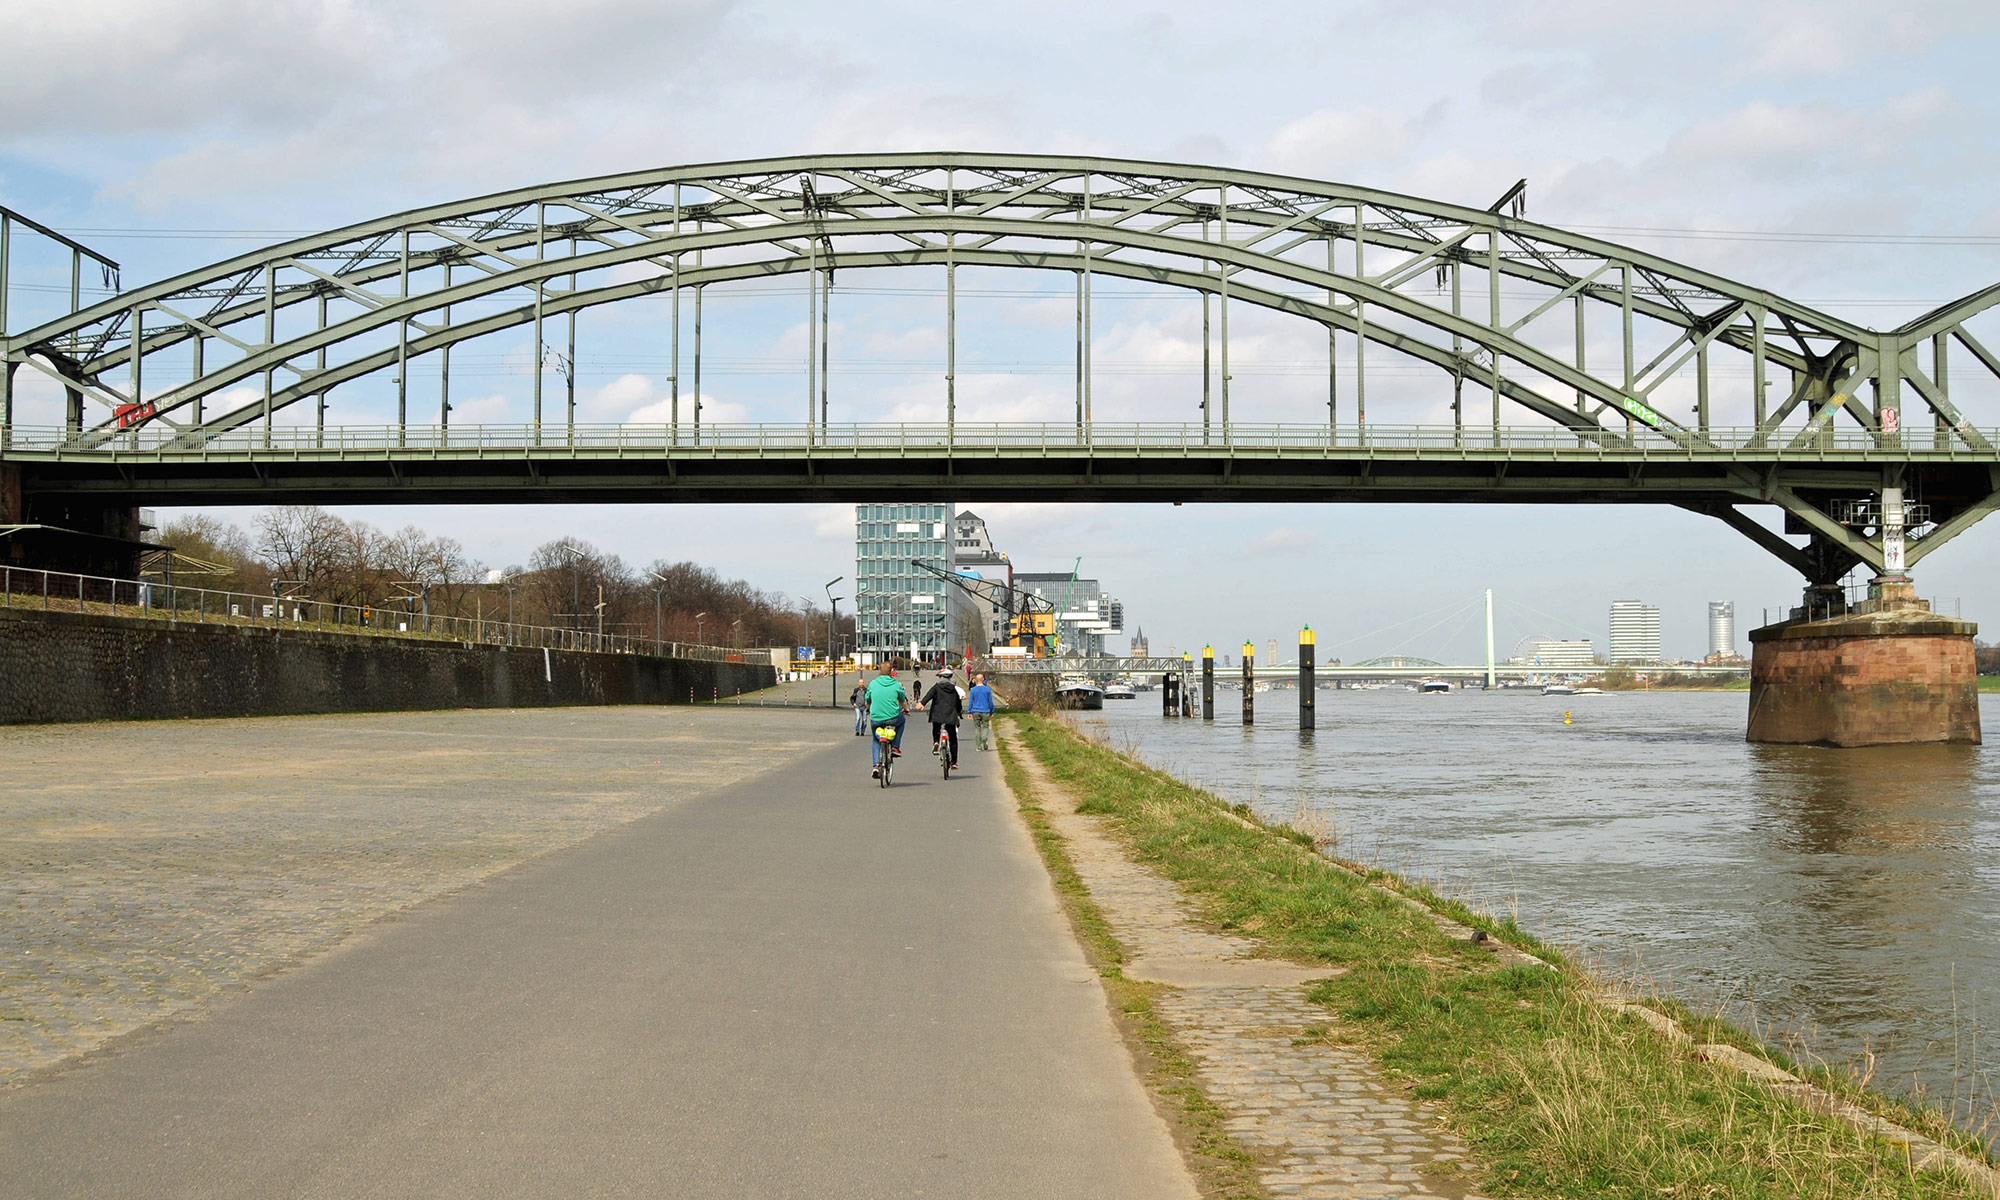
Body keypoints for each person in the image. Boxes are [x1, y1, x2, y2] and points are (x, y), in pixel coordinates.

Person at [864, 665, 909, 777]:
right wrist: (906, 708)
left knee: (875, 738)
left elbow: (867, 699)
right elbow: (902, 700)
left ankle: (876, 766)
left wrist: (868, 707)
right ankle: (895, 746)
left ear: (879, 671)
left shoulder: (873, 684)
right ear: (891, 672)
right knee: (902, 721)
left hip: (876, 718)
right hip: (892, 717)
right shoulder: (895, 684)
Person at [921, 667, 964, 767]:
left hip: (938, 714)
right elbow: (958, 703)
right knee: (953, 738)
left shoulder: (937, 687)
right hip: (950, 715)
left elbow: (929, 695)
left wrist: (922, 703)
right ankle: (954, 762)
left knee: (936, 728)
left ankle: (936, 742)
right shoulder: (954, 689)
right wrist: (958, 714)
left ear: (941, 677)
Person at [968, 674, 995, 751]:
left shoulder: (973, 690)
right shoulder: (987, 689)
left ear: (976, 680)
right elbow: (990, 702)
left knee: (977, 728)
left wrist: (969, 712)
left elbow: (970, 702)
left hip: (976, 711)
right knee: (985, 726)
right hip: (985, 711)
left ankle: (978, 746)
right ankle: (984, 738)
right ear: (983, 680)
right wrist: (992, 710)